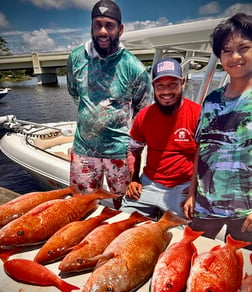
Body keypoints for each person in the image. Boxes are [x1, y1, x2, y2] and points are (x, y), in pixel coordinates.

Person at [67, 0, 152, 209]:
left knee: (122, 207)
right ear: (91, 27)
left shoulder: (133, 67)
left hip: (120, 152)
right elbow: (74, 92)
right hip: (83, 151)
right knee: (81, 206)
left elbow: (144, 110)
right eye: (97, 25)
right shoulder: (76, 58)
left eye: (109, 25)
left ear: (120, 29)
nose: (103, 31)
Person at [183, 13, 252, 249]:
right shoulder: (211, 100)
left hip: (246, 211)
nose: (235, 57)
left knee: (241, 272)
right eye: (226, 50)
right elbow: (201, 151)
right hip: (205, 205)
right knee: (194, 258)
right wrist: (192, 193)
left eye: (243, 48)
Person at [120, 58, 201, 219]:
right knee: (123, 221)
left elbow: (206, 157)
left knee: (180, 234)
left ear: (182, 82)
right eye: (160, 86)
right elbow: (134, 149)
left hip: (182, 186)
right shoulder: (144, 115)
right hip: (149, 183)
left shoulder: (198, 114)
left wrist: (194, 190)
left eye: (172, 84)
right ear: (153, 87)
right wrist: (134, 179)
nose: (166, 91)